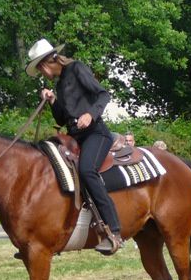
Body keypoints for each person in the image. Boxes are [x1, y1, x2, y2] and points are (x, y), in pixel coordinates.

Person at [25, 38, 121, 255]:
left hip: (96, 133)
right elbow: (61, 118)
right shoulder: (59, 84)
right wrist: (52, 101)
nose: (42, 74)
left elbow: (103, 94)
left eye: (41, 70)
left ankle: (114, 229)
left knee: (87, 170)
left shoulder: (77, 68)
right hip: (75, 136)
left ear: (47, 63)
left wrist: (90, 114)